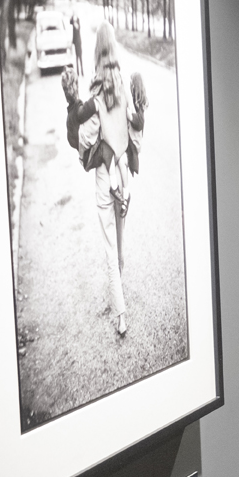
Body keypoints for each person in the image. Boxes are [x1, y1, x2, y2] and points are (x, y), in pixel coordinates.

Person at [90, 22, 131, 337]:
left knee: (108, 243)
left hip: (105, 174)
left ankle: (121, 314)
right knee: (120, 237)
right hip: (124, 170)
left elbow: (90, 134)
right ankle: (120, 287)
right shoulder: (124, 82)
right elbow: (131, 129)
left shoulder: (95, 89)